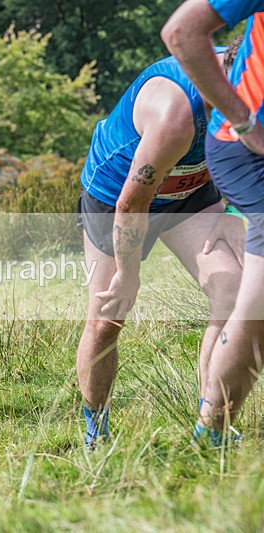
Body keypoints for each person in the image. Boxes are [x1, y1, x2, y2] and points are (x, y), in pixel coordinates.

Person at [75, 45, 246, 448]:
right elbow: (132, 203)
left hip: (192, 190)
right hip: (118, 195)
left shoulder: (249, 81)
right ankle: (95, 431)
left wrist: (231, 210)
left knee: (233, 289)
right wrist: (129, 274)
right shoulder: (174, 112)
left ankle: (212, 428)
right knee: (107, 318)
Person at [163, 0, 264, 446]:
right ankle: (211, 433)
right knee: (257, 303)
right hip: (247, 149)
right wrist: (244, 121)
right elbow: (183, 32)